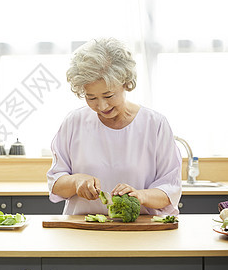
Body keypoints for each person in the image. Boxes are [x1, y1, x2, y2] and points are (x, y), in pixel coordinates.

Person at [47, 37, 182, 216]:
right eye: (91, 98)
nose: (102, 106)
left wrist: (140, 196)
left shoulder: (154, 124)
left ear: (125, 83)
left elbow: (170, 190)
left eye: (109, 95)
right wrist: (76, 181)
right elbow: (56, 185)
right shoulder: (74, 122)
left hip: (140, 233)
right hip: (82, 232)